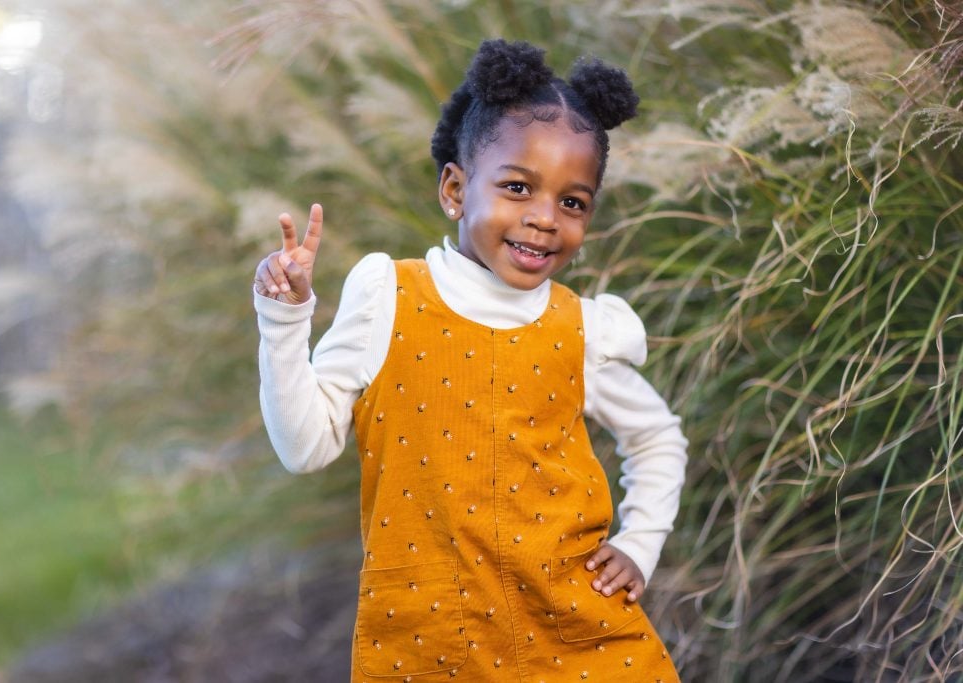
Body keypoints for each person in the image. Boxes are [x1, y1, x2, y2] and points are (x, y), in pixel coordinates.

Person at [253, 38, 687, 682]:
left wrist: (639, 544)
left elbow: (657, 437)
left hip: (576, 629)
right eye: (518, 187)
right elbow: (305, 447)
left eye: (572, 202)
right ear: (455, 190)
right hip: (427, 637)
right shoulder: (388, 296)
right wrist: (285, 319)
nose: (544, 219)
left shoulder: (582, 328)